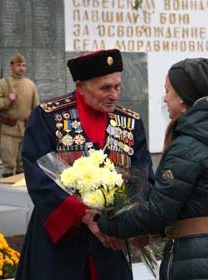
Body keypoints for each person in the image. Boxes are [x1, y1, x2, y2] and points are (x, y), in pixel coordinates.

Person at [94, 58, 208, 280]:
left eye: (167, 91)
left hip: (194, 260)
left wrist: (104, 222)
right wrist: (156, 232)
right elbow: (191, 205)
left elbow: (157, 212)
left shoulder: (187, 146)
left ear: (182, 96)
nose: (165, 98)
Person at [15, 49, 155, 280]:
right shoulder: (49, 117)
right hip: (59, 245)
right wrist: (84, 214)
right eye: (105, 88)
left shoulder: (130, 123)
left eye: (117, 86)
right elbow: (38, 174)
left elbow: (144, 176)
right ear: (81, 86)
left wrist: (123, 221)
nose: (114, 95)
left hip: (111, 243)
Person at [0, 52, 40, 177]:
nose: (21, 68)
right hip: (9, 129)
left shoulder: (30, 85)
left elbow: (37, 107)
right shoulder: (3, 84)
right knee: (9, 163)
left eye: (23, 65)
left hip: (26, 129)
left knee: (23, 162)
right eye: (18, 65)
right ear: (11, 66)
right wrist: (7, 100)